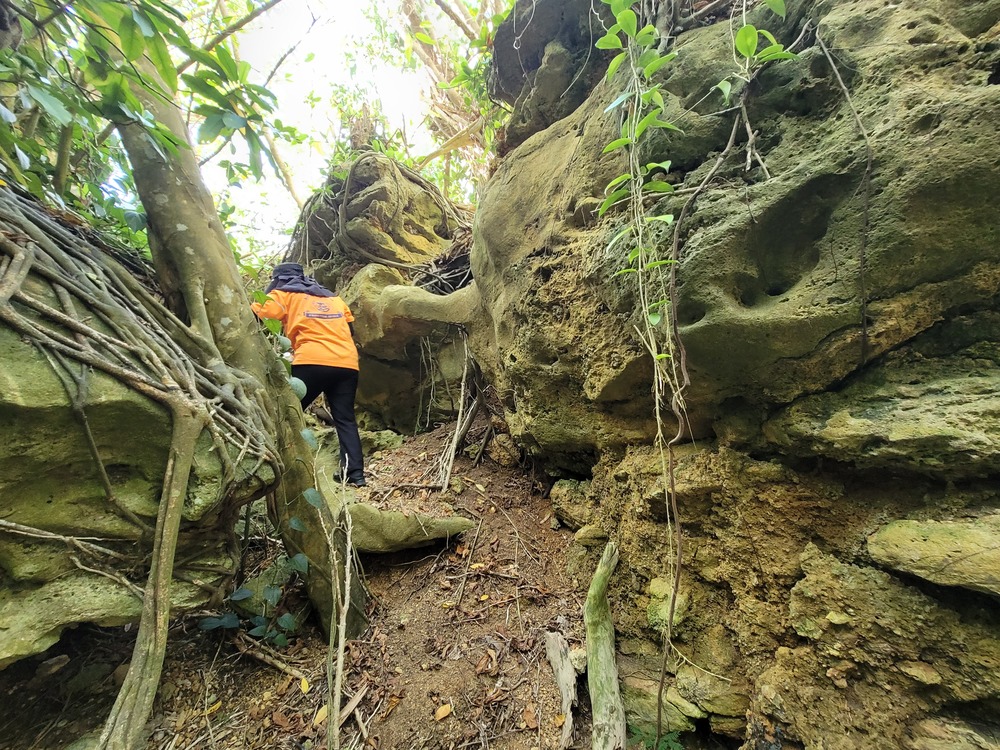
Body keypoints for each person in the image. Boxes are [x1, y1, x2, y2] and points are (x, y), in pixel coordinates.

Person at [252, 262, 366, 487]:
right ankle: (355, 475)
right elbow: (350, 329)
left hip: (311, 360)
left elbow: (256, 313)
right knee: (345, 419)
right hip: (346, 363)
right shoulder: (334, 298)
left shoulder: (283, 293)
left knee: (288, 413)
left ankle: (280, 467)